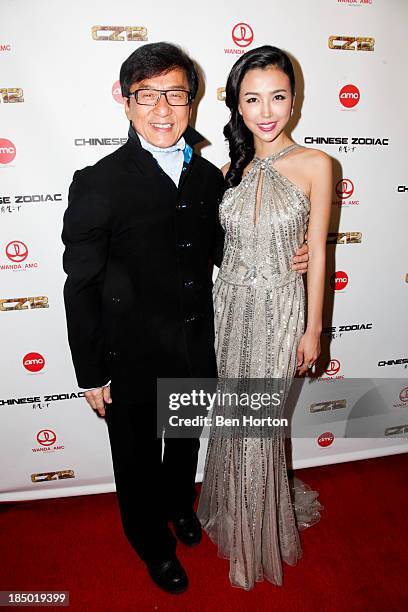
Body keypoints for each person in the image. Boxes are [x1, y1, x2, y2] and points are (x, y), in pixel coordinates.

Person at [62, 42, 309, 595]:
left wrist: (296, 251)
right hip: (128, 357)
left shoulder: (207, 179)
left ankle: (179, 506)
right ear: (126, 103)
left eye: (175, 94)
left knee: (183, 443)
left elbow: (230, 248)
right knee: (136, 458)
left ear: (192, 103)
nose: (162, 109)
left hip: (197, 344)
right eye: (147, 95)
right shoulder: (97, 181)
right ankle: (152, 544)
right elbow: (80, 285)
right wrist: (91, 371)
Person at [197, 46, 330, 590]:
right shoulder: (229, 168)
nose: (266, 110)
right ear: (237, 105)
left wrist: (314, 327)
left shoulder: (317, 164)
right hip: (228, 306)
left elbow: (318, 252)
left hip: (280, 308)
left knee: (261, 426)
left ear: (294, 101)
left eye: (278, 96)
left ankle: (256, 540)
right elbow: (218, 245)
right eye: (252, 99)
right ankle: (234, 508)